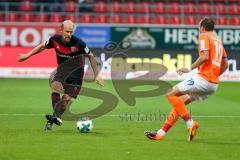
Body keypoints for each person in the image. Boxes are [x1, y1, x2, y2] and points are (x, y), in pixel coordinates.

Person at [144, 17, 229, 141]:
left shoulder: (204, 36)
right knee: (180, 104)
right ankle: (161, 133)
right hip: (213, 85)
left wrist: (190, 68)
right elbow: (225, 65)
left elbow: (204, 56)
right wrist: (215, 76)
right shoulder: (218, 42)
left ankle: (190, 124)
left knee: (170, 94)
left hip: (203, 80)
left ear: (202, 28)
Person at [18, 20, 104, 130]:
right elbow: (41, 47)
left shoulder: (79, 43)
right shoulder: (55, 40)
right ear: (61, 31)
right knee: (55, 88)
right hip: (62, 71)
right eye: (67, 31)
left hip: (76, 76)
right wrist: (27, 55)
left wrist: (97, 75)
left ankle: (53, 119)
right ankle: (57, 117)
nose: (69, 34)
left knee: (66, 99)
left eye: (71, 32)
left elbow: (91, 56)